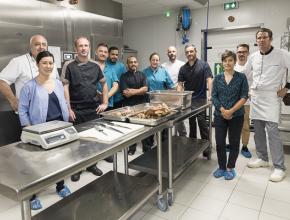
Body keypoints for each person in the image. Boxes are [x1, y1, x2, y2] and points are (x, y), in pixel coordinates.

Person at [18, 51, 71, 210]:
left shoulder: (58, 83)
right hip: (38, 130)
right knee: (37, 164)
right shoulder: (29, 86)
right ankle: (32, 195)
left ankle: (60, 186)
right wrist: (28, 129)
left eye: (50, 63)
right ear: (37, 65)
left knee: (59, 159)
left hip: (59, 127)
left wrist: (68, 117)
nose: (48, 66)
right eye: (44, 63)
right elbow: (22, 109)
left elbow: (63, 102)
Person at [61, 36, 108, 182]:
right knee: (76, 142)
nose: (83, 48)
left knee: (93, 140)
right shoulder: (69, 65)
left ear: (89, 48)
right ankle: (77, 168)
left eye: (86, 46)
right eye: (80, 46)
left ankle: (91, 165)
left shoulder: (95, 66)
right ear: (76, 49)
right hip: (76, 109)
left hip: (93, 109)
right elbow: (65, 87)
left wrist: (105, 103)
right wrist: (68, 109)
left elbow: (104, 84)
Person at [246, 28, 290, 182]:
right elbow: (246, 74)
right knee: (257, 131)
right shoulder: (253, 57)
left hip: (272, 97)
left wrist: (287, 87)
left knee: (272, 133)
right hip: (256, 98)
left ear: (270, 39)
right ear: (256, 40)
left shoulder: (282, 54)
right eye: (259, 38)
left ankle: (279, 167)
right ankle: (263, 158)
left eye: (264, 37)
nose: (261, 40)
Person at [0, 34, 59, 141]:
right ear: (30, 47)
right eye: (37, 44)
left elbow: (56, 85)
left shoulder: (51, 63)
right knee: (34, 144)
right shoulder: (18, 62)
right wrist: (13, 101)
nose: (41, 47)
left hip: (50, 113)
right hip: (29, 115)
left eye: (43, 44)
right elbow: (2, 81)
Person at [212, 50, 248, 180]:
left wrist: (231, 110)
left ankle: (230, 167)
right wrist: (222, 110)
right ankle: (221, 167)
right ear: (222, 63)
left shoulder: (241, 77)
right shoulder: (217, 78)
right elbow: (214, 96)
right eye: (225, 60)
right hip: (219, 115)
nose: (227, 63)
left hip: (237, 115)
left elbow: (244, 96)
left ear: (234, 61)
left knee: (234, 142)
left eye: (230, 60)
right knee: (220, 142)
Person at [177, 44, 213, 157]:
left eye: (191, 51)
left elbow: (209, 79)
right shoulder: (183, 68)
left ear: (195, 51)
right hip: (189, 100)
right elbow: (179, 84)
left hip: (201, 99)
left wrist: (210, 94)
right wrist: (179, 97)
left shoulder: (203, 65)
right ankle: (193, 145)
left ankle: (207, 147)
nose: (189, 54)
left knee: (202, 123)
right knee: (191, 123)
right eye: (187, 52)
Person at [143, 52, 174, 151]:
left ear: (159, 61)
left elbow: (171, 86)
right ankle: (147, 149)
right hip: (149, 103)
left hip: (162, 104)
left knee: (163, 127)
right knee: (149, 127)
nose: (155, 62)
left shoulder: (163, 71)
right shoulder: (144, 72)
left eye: (157, 60)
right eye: (153, 60)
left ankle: (164, 148)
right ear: (150, 61)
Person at [120, 56, 148, 155]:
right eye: (130, 62)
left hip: (142, 105)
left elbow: (145, 89)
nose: (133, 63)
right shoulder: (123, 76)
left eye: (135, 62)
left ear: (138, 63)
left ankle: (146, 147)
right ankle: (132, 148)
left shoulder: (142, 75)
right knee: (131, 129)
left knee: (144, 128)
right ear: (127, 64)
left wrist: (133, 91)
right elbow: (126, 93)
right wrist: (139, 91)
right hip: (129, 107)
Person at [162, 46, 187, 137]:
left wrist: (179, 90)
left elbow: (184, 80)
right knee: (167, 116)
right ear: (167, 53)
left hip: (179, 94)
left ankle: (182, 136)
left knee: (179, 117)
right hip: (168, 95)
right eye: (170, 52)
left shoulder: (182, 64)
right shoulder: (163, 66)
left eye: (173, 51)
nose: (172, 53)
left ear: (176, 52)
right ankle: (167, 138)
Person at [95, 43, 119, 111]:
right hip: (94, 103)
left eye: (105, 52)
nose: (103, 54)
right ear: (96, 52)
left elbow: (115, 85)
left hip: (108, 104)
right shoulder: (91, 67)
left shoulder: (111, 69)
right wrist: (97, 93)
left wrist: (106, 96)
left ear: (107, 54)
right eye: (101, 51)